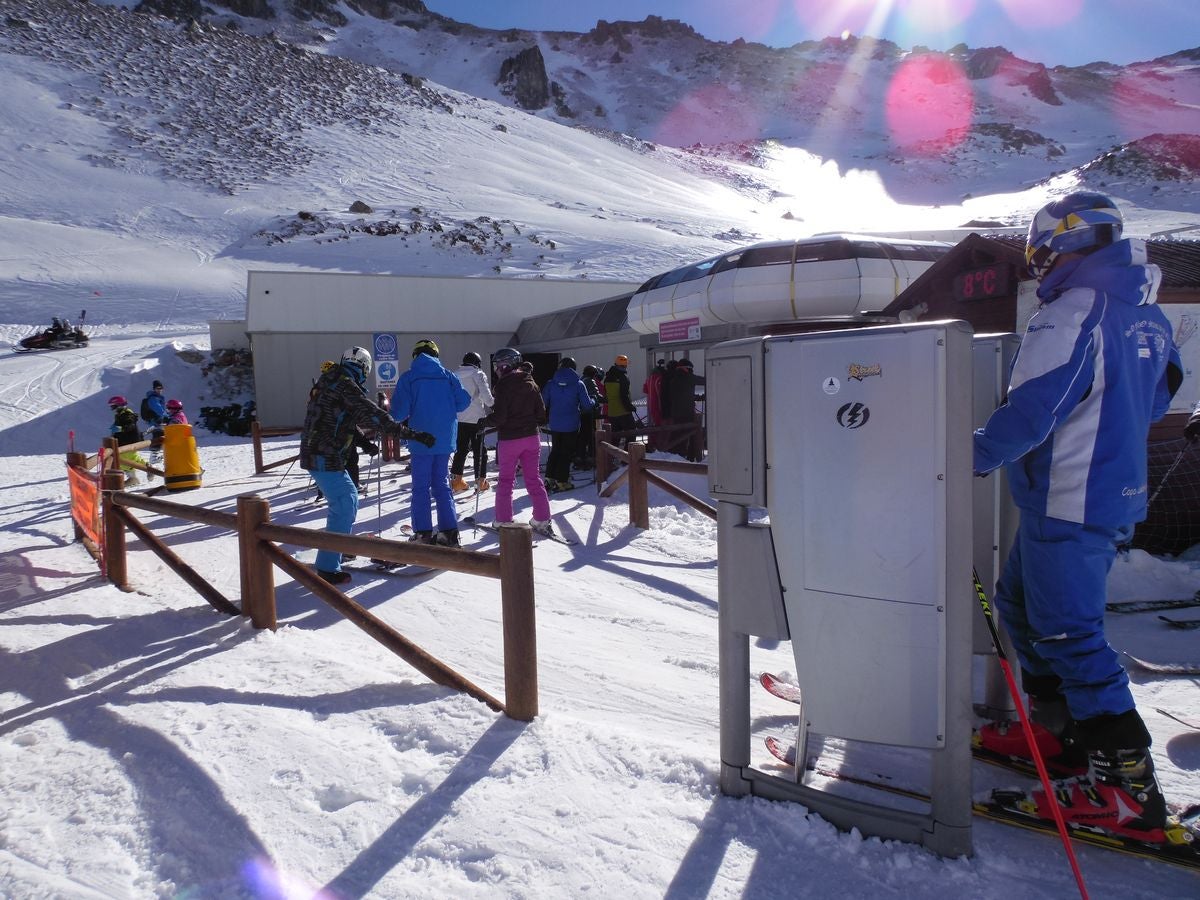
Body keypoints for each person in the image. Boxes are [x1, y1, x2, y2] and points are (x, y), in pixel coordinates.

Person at [973, 192, 1183, 841]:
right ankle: (1062, 735)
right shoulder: (1146, 315)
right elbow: (1158, 395)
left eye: (1039, 252)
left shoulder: (1073, 311)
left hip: (1069, 498)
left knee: (1069, 633)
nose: (1037, 265)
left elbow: (1034, 411)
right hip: (1100, 492)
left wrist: (960, 456)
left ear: (1058, 246)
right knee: (1019, 605)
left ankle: (1123, 789)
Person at [302, 346, 432, 584]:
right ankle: (328, 565)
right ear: (364, 368)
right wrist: (410, 433)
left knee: (345, 502)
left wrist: (364, 444)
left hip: (320, 452)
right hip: (324, 454)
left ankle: (337, 548)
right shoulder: (345, 385)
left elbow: (346, 419)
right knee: (345, 502)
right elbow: (372, 415)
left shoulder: (330, 382)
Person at [391, 339, 471, 546]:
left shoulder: (409, 377)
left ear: (415, 355)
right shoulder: (448, 376)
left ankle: (423, 534)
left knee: (420, 487)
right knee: (442, 485)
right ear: (436, 355)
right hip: (444, 440)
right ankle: (449, 533)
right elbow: (463, 402)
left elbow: (398, 413)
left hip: (421, 442)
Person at [482, 348, 555, 536]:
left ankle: (504, 520)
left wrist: (484, 422)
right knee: (533, 478)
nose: (497, 369)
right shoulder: (530, 382)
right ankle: (542, 518)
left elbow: (500, 417)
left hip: (510, 440)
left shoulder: (503, 386)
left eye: (498, 366)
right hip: (531, 438)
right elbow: (542, 414)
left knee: (506, 480)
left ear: (505, 366)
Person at [542, 357, 596, 492]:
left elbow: (543, 402)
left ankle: (549, 478)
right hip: (571, 423)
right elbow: (587, 406)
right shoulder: (579, 384)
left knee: (555, 450)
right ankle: (562, 481)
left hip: (554, 423)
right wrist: (594, 399)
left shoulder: (550, 383)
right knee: (566, 452)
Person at [450, 351, 495, 494]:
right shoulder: (478, 374)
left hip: (459, 419)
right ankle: (480, 482)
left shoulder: (454, 375)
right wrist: (495, 407)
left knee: (461, 450)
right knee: (480, 451)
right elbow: (486, 397)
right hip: (476, 419)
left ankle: (457, 481)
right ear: (478, 363)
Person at [664, 358, 706, 462]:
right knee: (690, 435)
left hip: (675, 413)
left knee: (677, 435)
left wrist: (695, 397)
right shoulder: (688, 378)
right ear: (687, 369)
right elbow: (704, 380)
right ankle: (688, 459)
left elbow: (682, 394)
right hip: (687, 413)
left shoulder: (674, 379)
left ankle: (673, 455)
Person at [107, 395, 146, 485]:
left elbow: (131, 426)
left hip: (129, 441)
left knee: (124, 459)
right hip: (124, 440)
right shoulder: (120, 415)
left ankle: (134, 478)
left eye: (114, 406)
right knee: (130, 458)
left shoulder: (128, 414)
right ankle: (135, 477)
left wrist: (120, 429)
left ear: (119, 405)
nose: (113, 409)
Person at [574, 364, 605, 470]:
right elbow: (595, 395)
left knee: (582, 435)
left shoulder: (581, 380)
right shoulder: (590, 381)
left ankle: (579, 456)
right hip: (588, 412)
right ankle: (592, 457)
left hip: (580, 412)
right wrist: (605, 399)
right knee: (591, 434)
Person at [604, 355, 636, 441]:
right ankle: (630, 454)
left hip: (612, 413)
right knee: (631, 435)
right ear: (624, 365)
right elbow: (624, 396)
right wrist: (630, 407)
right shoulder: (623, 378)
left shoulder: (607, 377)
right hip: (624, 412)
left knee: (615, 439)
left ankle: (613, 454)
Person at [642, 359, 667, 451]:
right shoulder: (660, 379)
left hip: (651, 405)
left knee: (655, 425)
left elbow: (645, 390)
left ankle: (653, 443)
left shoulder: (649, 378)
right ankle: (659, 445)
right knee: (661, 426)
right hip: (659, 406)